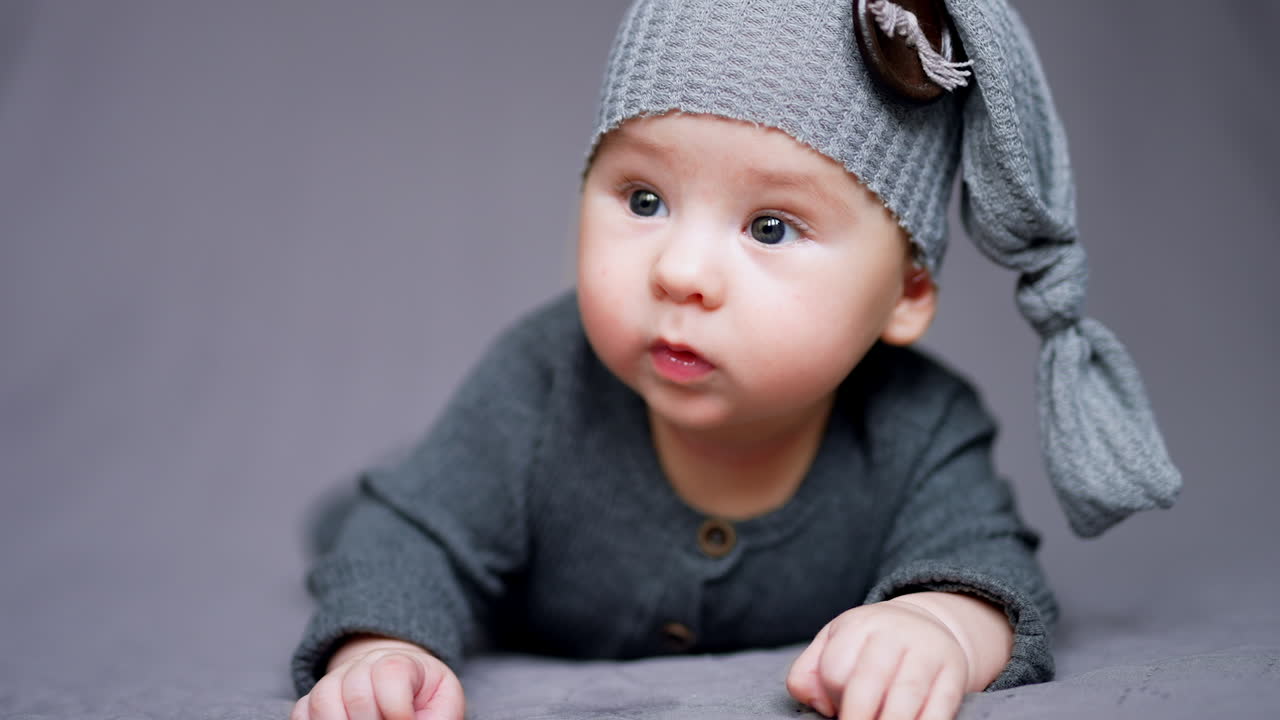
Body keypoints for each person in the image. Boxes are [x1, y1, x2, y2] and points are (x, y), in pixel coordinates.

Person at [289, 1, 1180, 719]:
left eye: (771, 227)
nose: (679, 272)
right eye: (644, 199)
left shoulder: (919, 427)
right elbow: (412, 538)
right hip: (472, 537)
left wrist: (937, 625)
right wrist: (381, 649)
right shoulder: (542, 379)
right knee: (385, 522)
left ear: (906, 294)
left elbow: (992, 570)